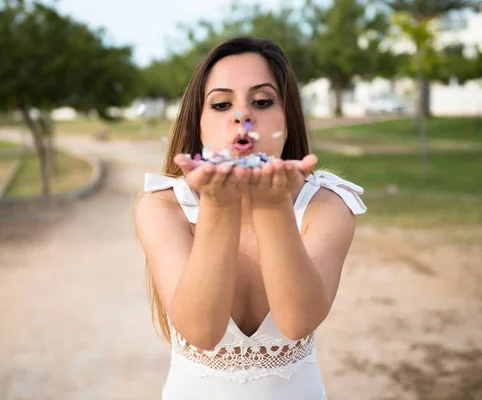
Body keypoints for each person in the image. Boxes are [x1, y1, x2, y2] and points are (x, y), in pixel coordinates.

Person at [134, 36, 367, 400]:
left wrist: (273, 206)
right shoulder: (162, 208)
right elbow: (201, 330)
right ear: (198, 124)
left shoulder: (327, 206)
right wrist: (218, 205)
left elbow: (297, 321)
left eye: (261, 101)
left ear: (288, 118)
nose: (242, 116)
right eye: (222, 104)